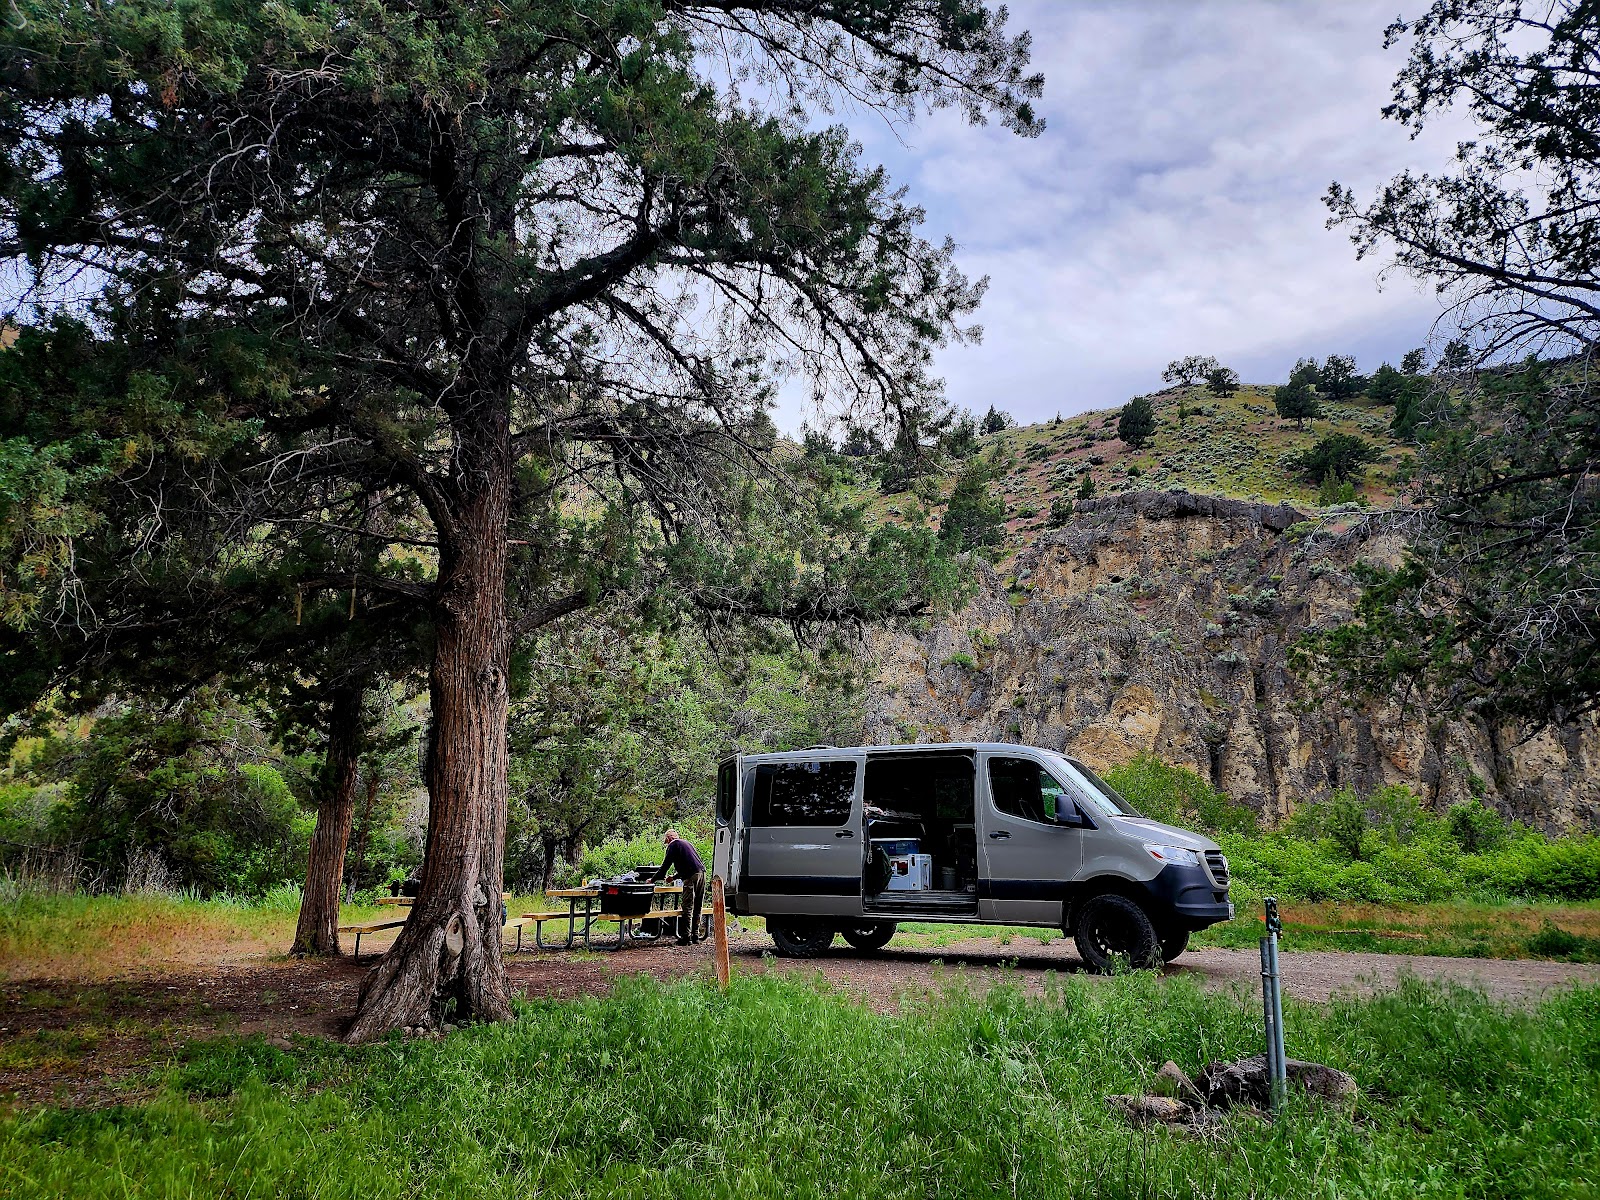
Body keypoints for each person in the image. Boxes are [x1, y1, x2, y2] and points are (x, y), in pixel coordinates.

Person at [653, 829, 705, 945]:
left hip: (691, 876)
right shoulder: (686, 843)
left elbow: (664, 868)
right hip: (701, 873)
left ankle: (686, 937)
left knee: (687, 906)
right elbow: (689, 864)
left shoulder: (673, 845)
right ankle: (695, 936)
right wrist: (674, 877)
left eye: (666, 841)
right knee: (698, 905)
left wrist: (651, 880)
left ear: (668, 838)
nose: (667, 844)